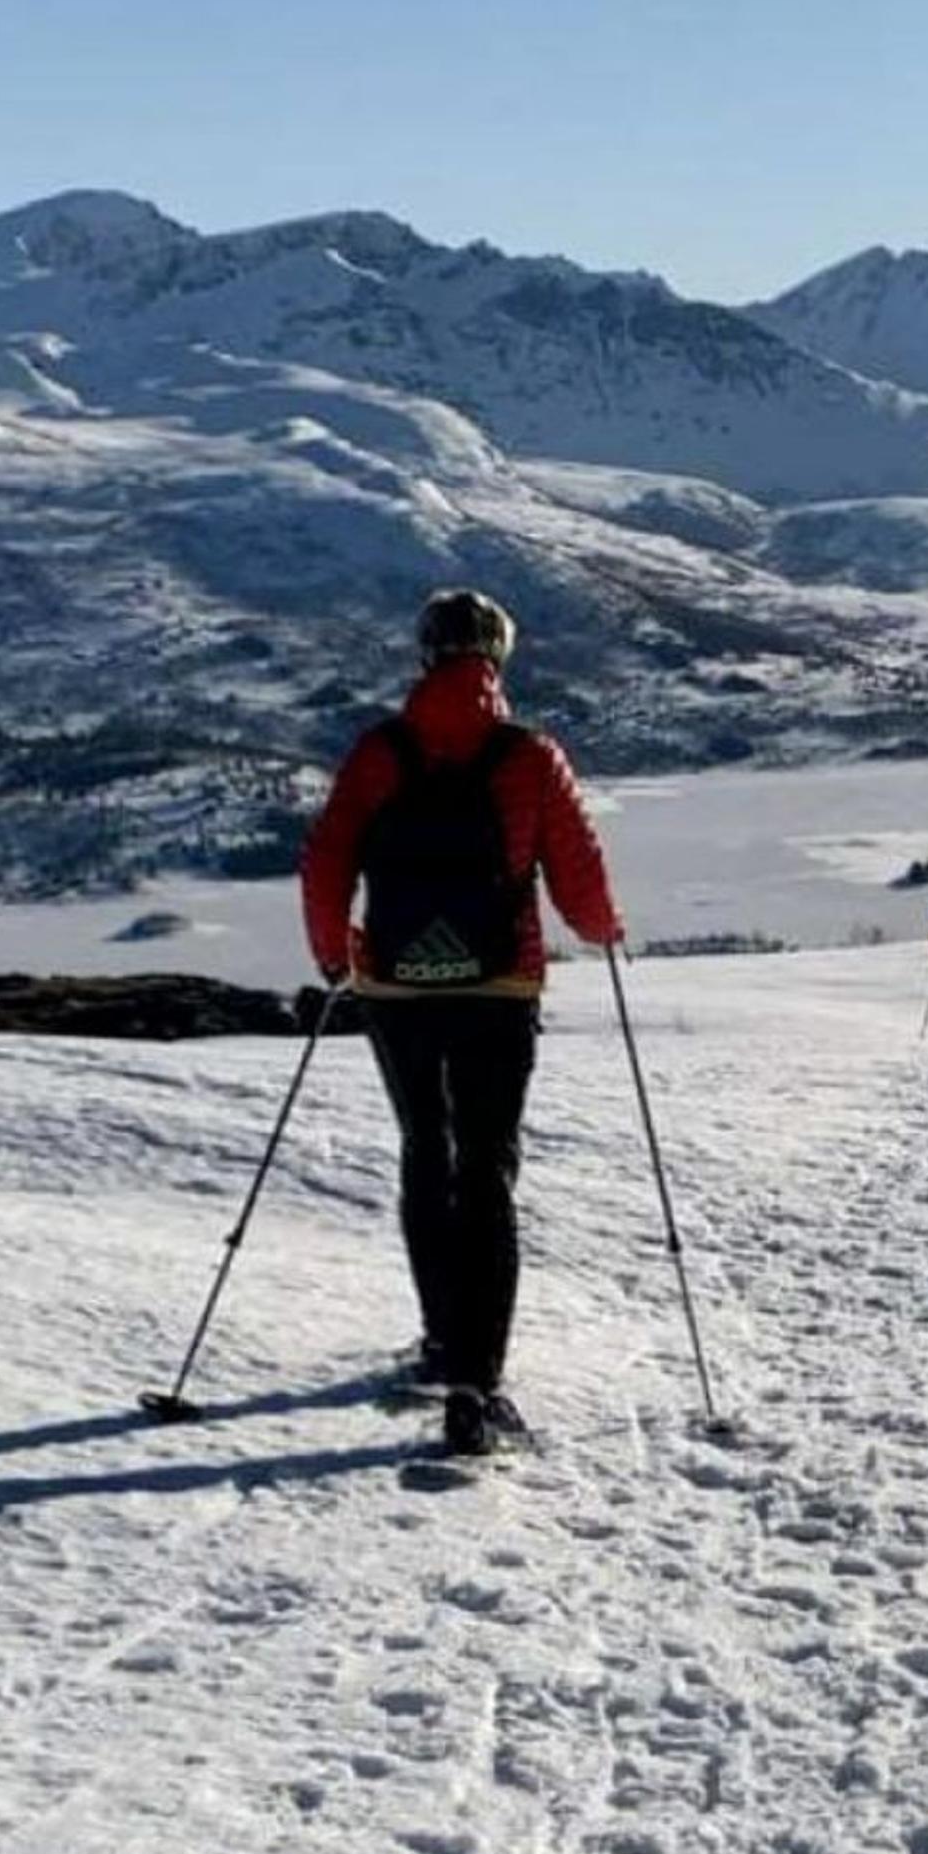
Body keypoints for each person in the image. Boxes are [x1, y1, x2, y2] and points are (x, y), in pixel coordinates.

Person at [301, 587, 625, 1459]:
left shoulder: (379, 752)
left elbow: (328, 855)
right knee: (487, 1167)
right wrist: (604, 931)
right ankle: (479, 1386)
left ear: (426, 655)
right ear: (498, 658)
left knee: (423, 1148)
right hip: (499, 983)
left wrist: (336, 955)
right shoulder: (530, 756)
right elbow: (578, 875)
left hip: (396, 988)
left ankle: (442, 1339)